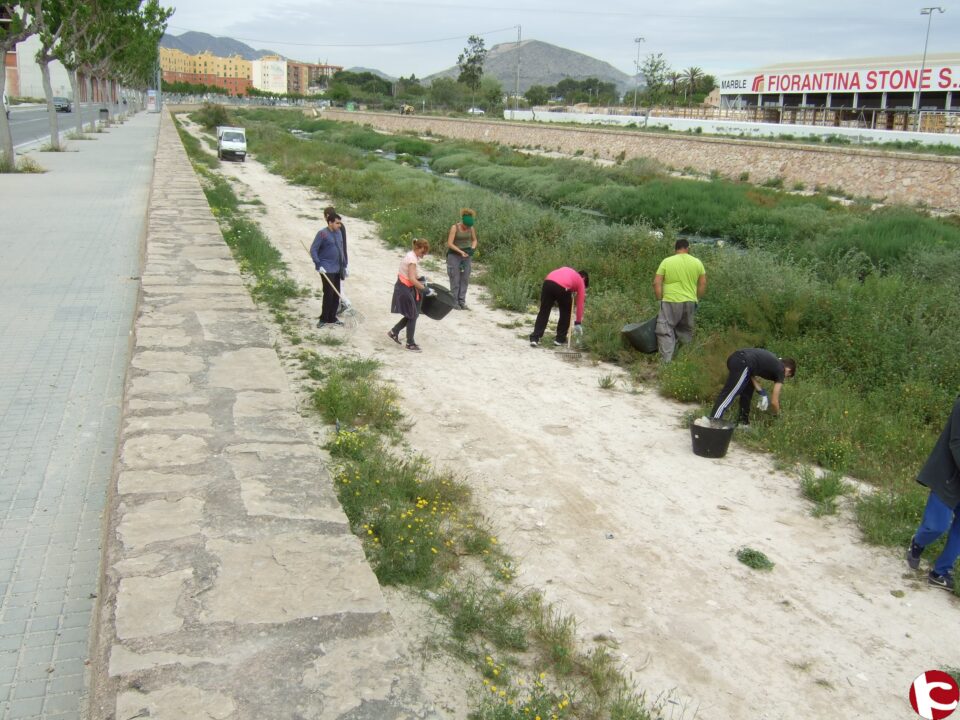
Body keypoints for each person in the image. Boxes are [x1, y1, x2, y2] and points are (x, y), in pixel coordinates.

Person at [906, 395, 960, 591]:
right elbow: (957, 443)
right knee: (937, 526)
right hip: (948, 476)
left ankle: (940, 572)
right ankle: (917, 543)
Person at [710, 348, 796, 426]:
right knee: (729, 395)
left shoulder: (774, 362)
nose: (784, 378)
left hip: (739, 359)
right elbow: (774, 401)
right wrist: (778, 415)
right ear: (788, 370)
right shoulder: (781, 370)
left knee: (748, 390)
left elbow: (750, 374)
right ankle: (713, 422)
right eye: (787, 376)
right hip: (743, 362)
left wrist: (762, 392)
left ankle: (743, 423)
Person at [654, 238, 706, 362]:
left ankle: (666, 362)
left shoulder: (667, 261)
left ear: (675, 249)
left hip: (670, 300)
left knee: (665, 330)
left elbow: (656, 283)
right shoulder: (697, 262)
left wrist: (659, 300)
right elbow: (703, 284)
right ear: (688, 248)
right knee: (685, 330)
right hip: (690, 301)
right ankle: (682, 360)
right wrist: (696, 299)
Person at [388, 238, 434, 352]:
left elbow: (413, 276)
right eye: (423, 252)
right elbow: (412, 279)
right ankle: (410, 343)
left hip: (404, 286)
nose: (423, 255)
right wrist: (425, 290)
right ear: (418, 248)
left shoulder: (411, 255)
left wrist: (423, 279)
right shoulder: (412, 259)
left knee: (412, 314)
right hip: (404, 288)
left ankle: (394, 331)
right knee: (413, 315)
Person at [529, 267, 589, 347]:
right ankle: (560, 339)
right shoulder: (581, 281)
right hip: (563, 286)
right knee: (566, 312)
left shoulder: (568, 270)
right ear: (584, 279)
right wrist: (578, 322)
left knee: (544, 311)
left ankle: (535, 338)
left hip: (548, 282)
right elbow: (580, 304)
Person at [310, 209, 348, 328]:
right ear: (330, 222)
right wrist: (318, 264)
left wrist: (345, 265)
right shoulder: (322, 233)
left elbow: (342, 249)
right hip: (326, 268)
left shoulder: (339, 232)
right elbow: (313, 249)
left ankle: (332, 318)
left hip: (337, 268)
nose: (339, 225)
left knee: (336, 294)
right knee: (329, 293)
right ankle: (324, 318)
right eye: (337, 223)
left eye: (339, 223)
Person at [446, 208, 478, 309]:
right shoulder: (455, 227)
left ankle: (461, 301)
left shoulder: (471, 228)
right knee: (455, 278)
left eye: (469, 226)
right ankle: (454, 301)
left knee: (465, 279)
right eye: (466, 226)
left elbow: (474, 240)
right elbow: (450, 243)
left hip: (466, 255)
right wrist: (460, 251)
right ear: (462, 222)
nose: (467, 228)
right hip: (454, 255)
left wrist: (472, 249)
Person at [324, 206, 350, 315]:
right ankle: (339, 305)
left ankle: (345, 303)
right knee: (338, 284)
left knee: (337, 285)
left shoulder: (336, 227)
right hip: (342, 258)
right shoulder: (340, 225)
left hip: (339, 260)